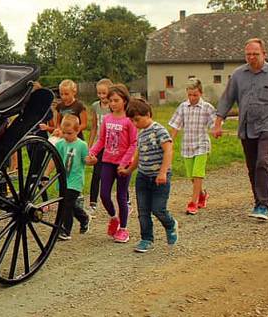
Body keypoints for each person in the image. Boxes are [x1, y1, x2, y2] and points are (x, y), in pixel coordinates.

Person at [212, 38, 268, 220]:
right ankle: (258, 201)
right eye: (248, 54)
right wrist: (218, 123)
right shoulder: (238, 75)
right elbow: (226, 99)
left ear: (264, 54)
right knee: (252, 166)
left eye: (255, 54)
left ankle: (263, 204)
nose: (252, 57)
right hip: (247, 127)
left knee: (263, 162)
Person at [122, 98, 178, 253]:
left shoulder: (159, 130)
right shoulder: (141, 134)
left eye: (137, 119)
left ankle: (170, 224)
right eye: (132, 120)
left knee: (158, 209)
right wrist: (129, 170)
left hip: (159, 178)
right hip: (143, 177)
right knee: (143, 211)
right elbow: (138, 156)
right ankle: (146, 238)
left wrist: (162, 172)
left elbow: (168, 150)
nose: (135, 123)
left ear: (147, 114)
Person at [86, 84, 137, 244]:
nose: (113, 104)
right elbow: (101, 140)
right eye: (110, 101)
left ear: (124, 101)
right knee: (104, 195)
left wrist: (125, 163)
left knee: (121, 196)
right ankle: (114, 217)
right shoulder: (107, 119)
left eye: (116, 100)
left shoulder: (129, 121)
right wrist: (92, 152)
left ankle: (123, 229)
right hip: (107, 161)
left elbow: (133, 143)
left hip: (123, 165)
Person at [168, 78, 216, 215]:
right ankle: (202, 194)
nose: (192, 98)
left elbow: (215, 124)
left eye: (195, 95)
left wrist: (216, 130)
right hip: (187, 145)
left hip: (202, 144)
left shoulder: (207, 107)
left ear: (200, 93)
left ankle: (193, 202)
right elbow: (176, 125)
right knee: (192, 177)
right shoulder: (183, 107)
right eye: (189, 95)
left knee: (197, 173)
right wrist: (170, 141)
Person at [53, 115, 91, 240]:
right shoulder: (60, 144)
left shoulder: (82, 145)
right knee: (69, 204)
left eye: (69, 133)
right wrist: (46, 175)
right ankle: (84, 217)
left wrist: (92, 161)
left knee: (66, 204)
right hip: (63, 179)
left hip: (75, 180)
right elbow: (54, 161)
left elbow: (86, 161)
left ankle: (65, 231)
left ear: (77, 130)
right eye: (63, 133)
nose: (66, 136)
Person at [87, 78, 113, 213]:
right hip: (100, 144)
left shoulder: (114, 106)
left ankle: (126, 199)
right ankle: (92, 202)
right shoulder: (95, 106)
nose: (102, 96)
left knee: (115, 173)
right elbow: (93, 127)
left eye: (104, 93)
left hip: (113, 145)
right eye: (99, 93)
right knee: (96, 173)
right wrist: (90, 146)